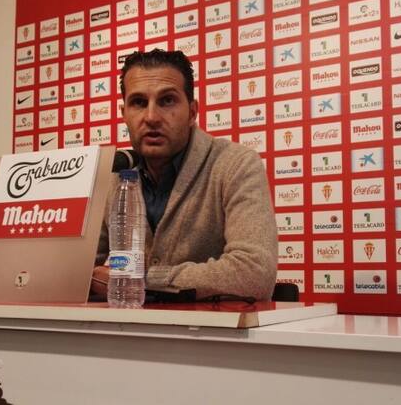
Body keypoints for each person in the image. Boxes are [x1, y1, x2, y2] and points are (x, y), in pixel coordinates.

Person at [92, 49, 278, 300]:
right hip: (124, 325)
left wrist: (143, 278)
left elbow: (254, 274)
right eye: (139, 102)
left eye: (167, 100)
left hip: (210, 326)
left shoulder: (235, 164)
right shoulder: (113, 174)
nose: (151, 117)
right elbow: (77, 271)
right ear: (124, 113)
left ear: (192, 112)